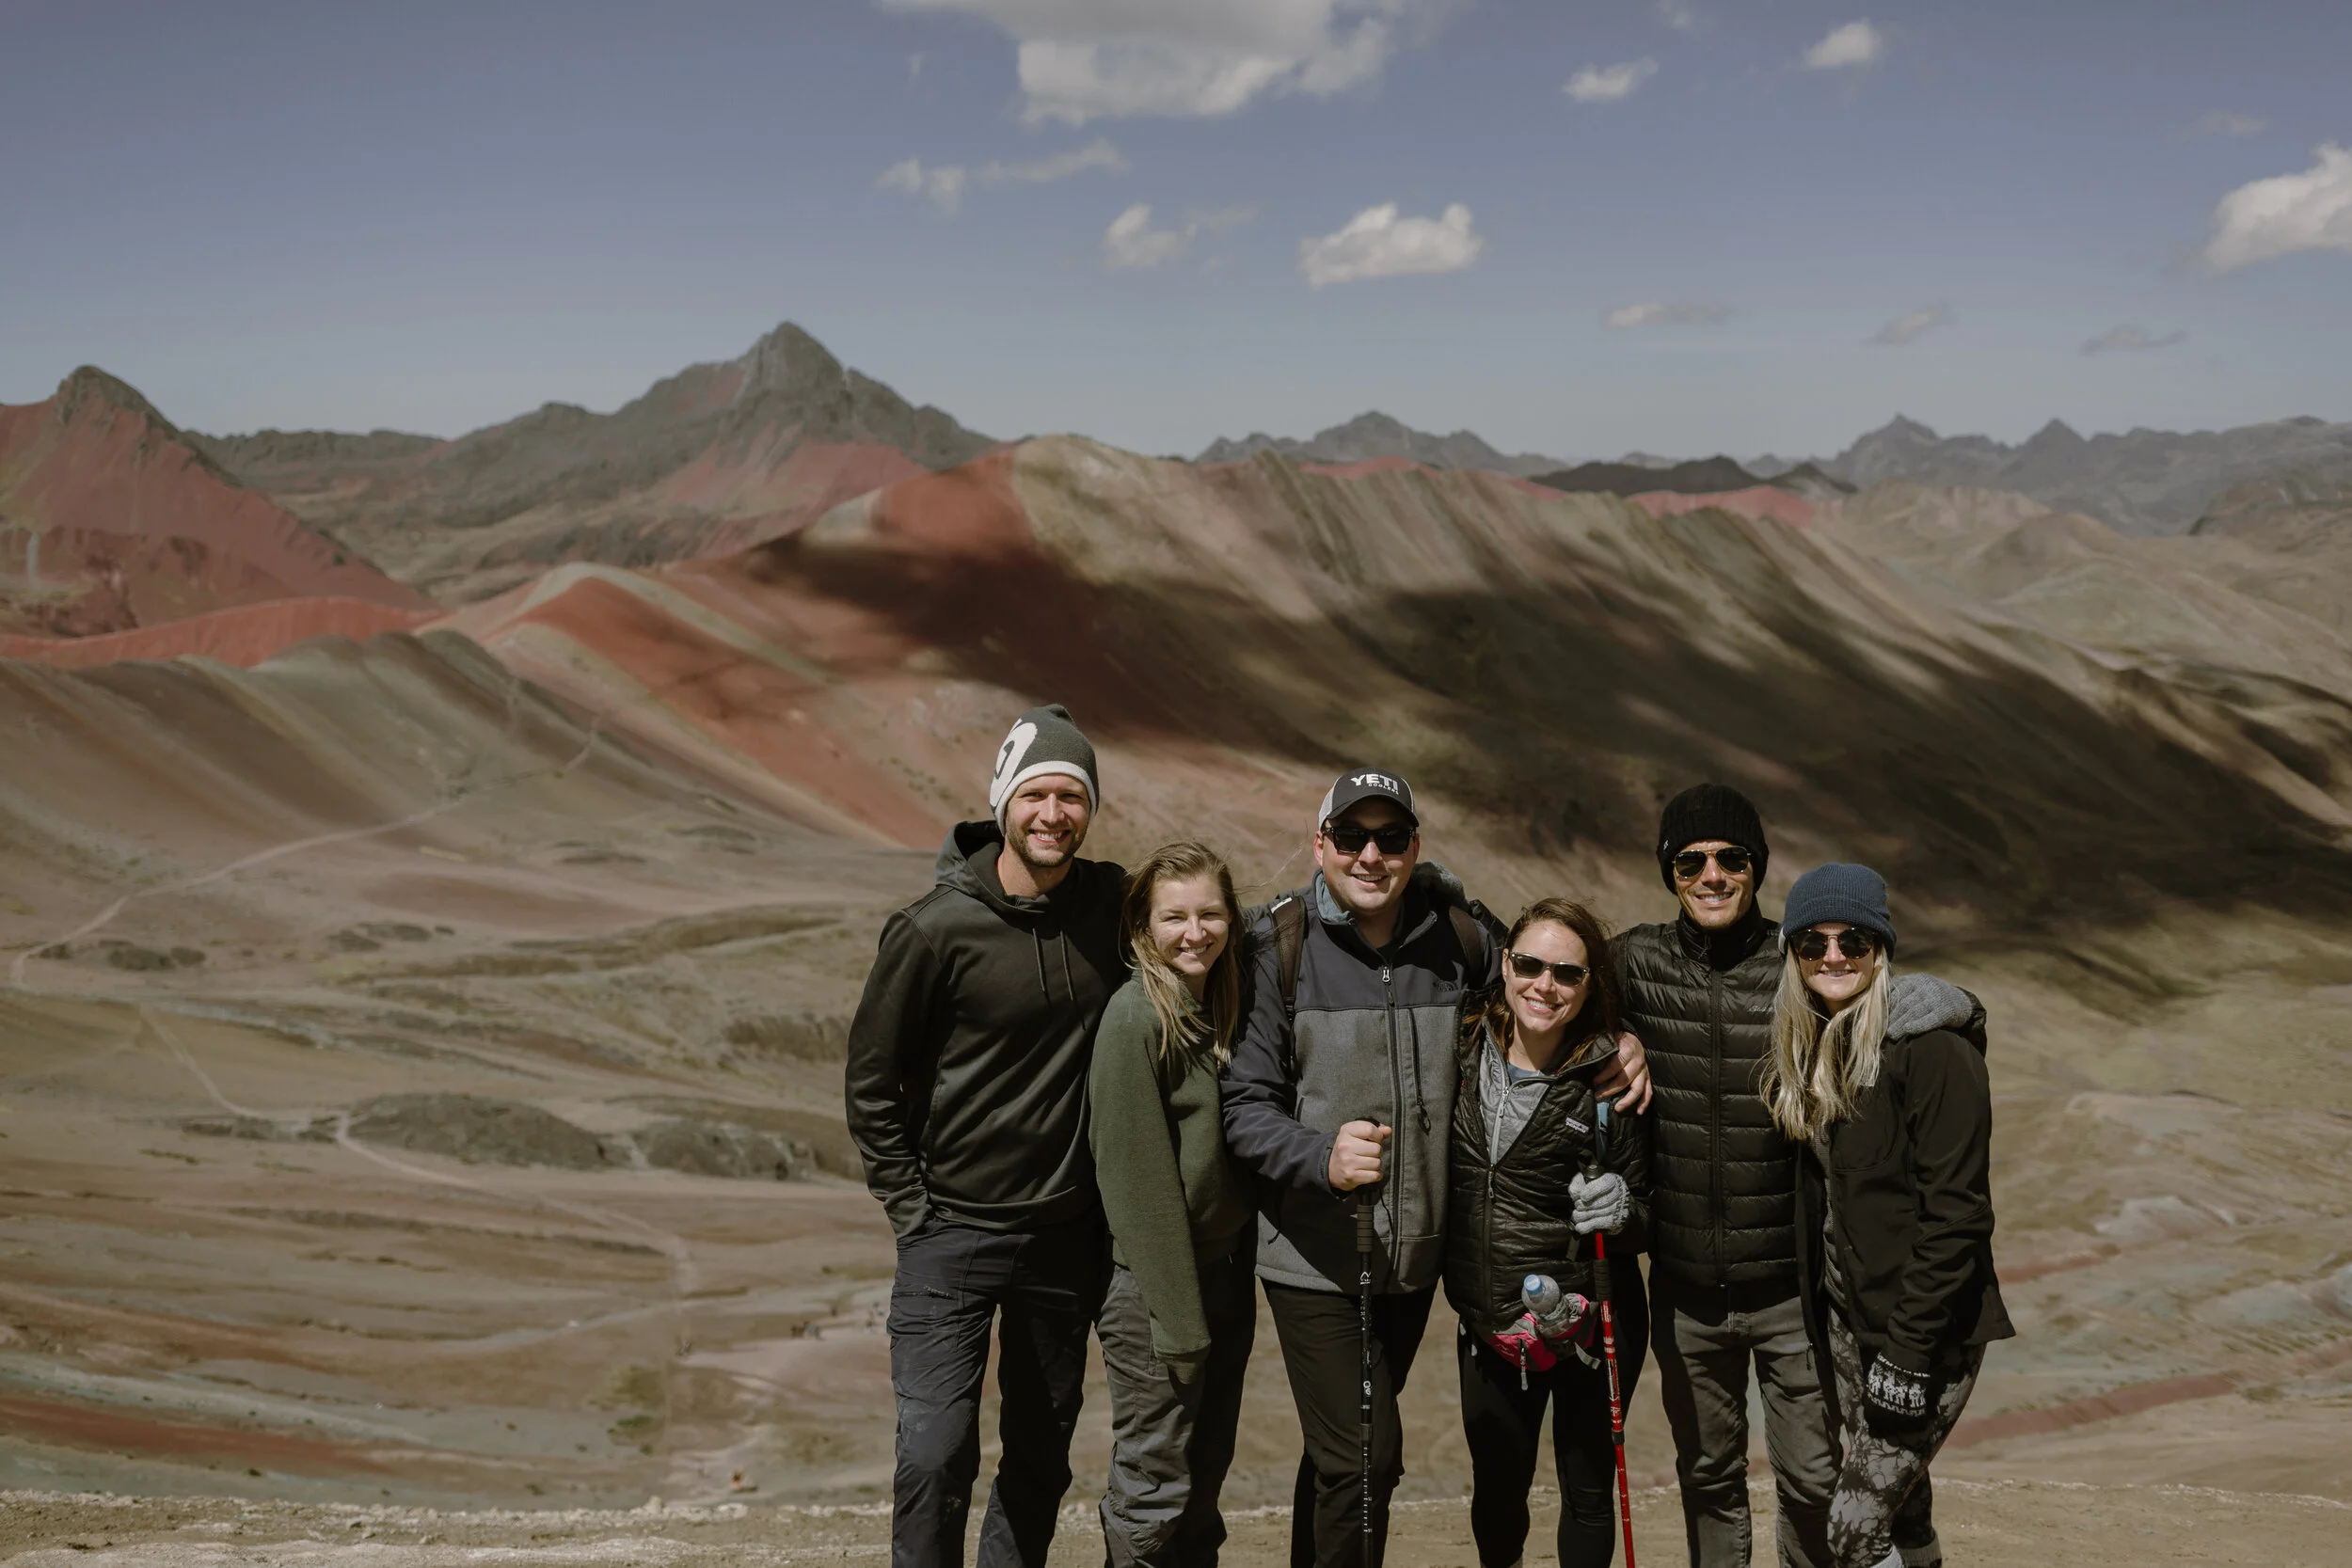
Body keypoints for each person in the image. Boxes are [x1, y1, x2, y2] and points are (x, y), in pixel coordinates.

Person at [1221, 767, 1650, 1568]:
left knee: (1339, 1455)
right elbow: (1243, 1105)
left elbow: (1548, 982)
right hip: (1315, 1256)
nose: (1370, 854)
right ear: (1320, 844)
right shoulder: (1277, 947)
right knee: (1365, 1455)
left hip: (1414, 1260)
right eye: (1351, 836)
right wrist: (1319, 1154)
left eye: (1390, 837)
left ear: (1414, 847)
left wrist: (1619, 1037)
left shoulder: (1459, 937)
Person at [845, 705, 1125, 1568]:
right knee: (935, 1454)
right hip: (950, 1232)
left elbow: (1209, 921)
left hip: (1064, 1237)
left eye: (1072, 796)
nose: (1053, 814)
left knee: (1040, 1456)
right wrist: (912, 1210)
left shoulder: (1113, 907)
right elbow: (871, 1082)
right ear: (1003, 800)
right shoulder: (933, 929)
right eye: (1036, 794)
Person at [1614, 783, 1838, 1568]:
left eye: (1731, 858)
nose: (1712, 875)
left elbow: (1884, 999)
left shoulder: (1799, 964)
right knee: (1708, 1476)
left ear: (1757, 866)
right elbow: (1537, 978)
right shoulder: (1633, 963)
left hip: (1791, 1290)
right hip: (1684, 1293)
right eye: (1691, 861)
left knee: (1813, 1479)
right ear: (1669, 873)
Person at [1764, 864, 2012, 1568]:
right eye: (1812, 943)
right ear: (1793, 955)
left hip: (1926, 1333)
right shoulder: (1819, 1046)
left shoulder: (1935, 1052)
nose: (1833, 956)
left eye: (1854, 940)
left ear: (1881, 949)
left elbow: (1958, 1218)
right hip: (1855, 1322)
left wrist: (1908, 1353)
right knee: (1905, 1509)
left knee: (1853, 1528)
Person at [1446, 897, 1651, 1568]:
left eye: (1568, 973)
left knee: (1588, 1494)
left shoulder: (1611, 1079)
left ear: (1590, 986)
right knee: (1497, 1490)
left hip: (1594, 1317)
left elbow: (1649, 1212)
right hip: (1492, 1319)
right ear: (1505, 965)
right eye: (1530, 965)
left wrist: (1623, 1209)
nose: (1545, 985)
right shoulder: (1460, 1043)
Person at [1089, 842, 1259, 1568]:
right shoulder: (1135, 1019)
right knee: (1154, 1484)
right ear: (1143, 926)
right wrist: (1182, 1326)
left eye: (1210, 914)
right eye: (1175, 917)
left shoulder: (1218, 1004)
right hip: (1157, 1290)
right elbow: (1139, 1190)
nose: (1195, 932)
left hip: (1221, 1275)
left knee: (1203, 1479)